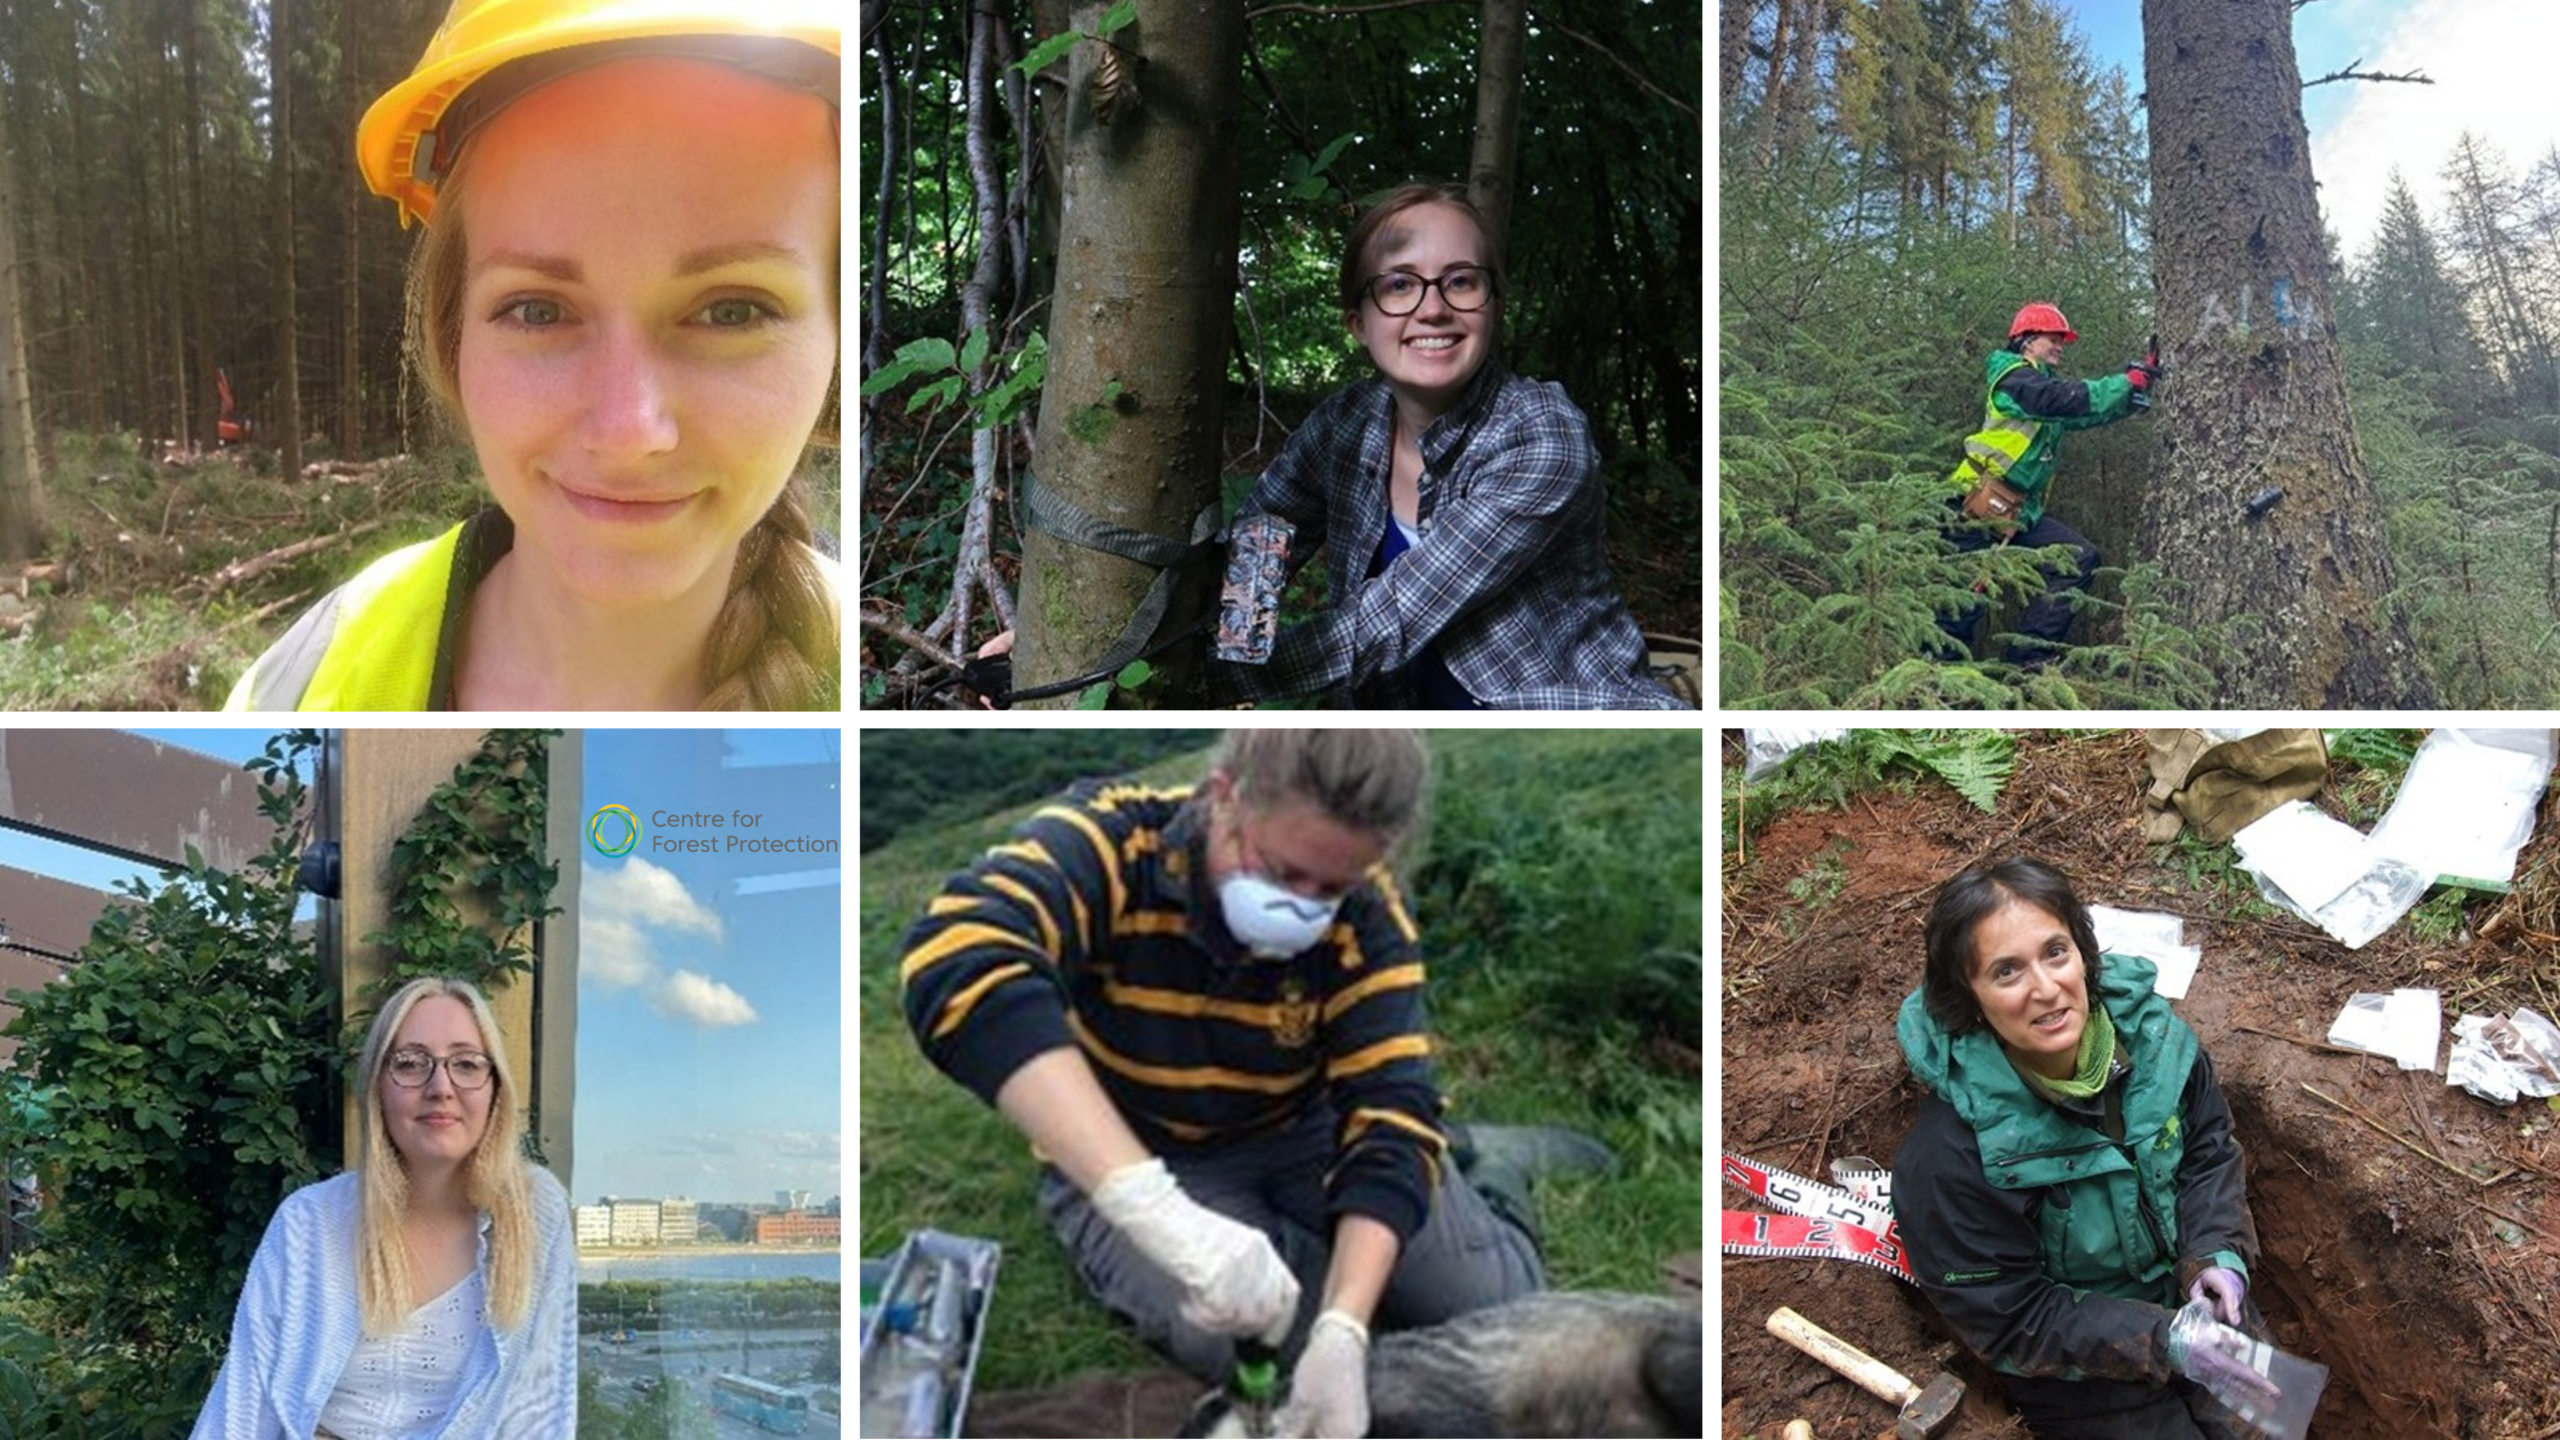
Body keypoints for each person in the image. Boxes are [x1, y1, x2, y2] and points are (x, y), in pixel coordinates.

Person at [897, 729, 1546, 1440]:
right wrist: (1149, 1208)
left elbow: (1389, 1108)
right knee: (1252, 1336)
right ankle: (1294, 1265)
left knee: (1499, 1308)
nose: (1303, 906)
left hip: (1304, 1132)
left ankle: (1482, 1176)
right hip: (1143, 1150)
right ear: (1225, 797)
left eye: (1332, 889)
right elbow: (959, 957)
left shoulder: (1369, 917)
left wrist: (1345, 1325)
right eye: (1280, 871)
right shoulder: (1114, 844)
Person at [226, 0, 842, 711]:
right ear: (455, 335)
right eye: (538, 310)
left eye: (731, 312)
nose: (627, 433)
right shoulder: (304, 681)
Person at [1212, 182, 1692, 711]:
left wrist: (1212, 682)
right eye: (1399, 285)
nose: (1433, 308)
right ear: (1358, 324)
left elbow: (1393, 616)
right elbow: (1261, 537)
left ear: (1494, 306)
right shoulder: (1342, 426)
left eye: (1460, 281)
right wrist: (1235, 646)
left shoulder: (1543, 435)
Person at [1893, 859, 2268, 1439]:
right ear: (1970, 998)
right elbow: (2010, 1316)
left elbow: (2208, 1150)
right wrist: (2160, 1339)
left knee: (2270, 1428)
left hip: (2205, 1315)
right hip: (2080, 1372)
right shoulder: (1952, 1158)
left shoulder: (2156, 1044)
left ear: (2084, 955)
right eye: (2007, 972)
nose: (2046, 989)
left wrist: (2216, 1253)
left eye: (2055, 953)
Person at [193, 976, 575, 1438]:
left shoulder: (535, 1213)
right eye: (411, 1063)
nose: (440, 1086)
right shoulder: (308, 1224)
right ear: (377, 1087)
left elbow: (542, 1408)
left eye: (467, 1064)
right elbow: (242, 1405)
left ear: (495, 1088)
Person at [1938, 302, 2157, 666]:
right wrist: (2123, 383)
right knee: (1960, 608)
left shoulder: (2042, 390)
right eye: (2053, 339)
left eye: (2062, 340)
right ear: (2026, 340)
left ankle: (2026, 663)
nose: (2060, 346)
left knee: (2077, 558)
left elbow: (2080, 413)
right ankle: (1931, 693)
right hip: (1971, 504)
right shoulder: (2013, 378)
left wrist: (2129, 397)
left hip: (2016, 512)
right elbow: (2059, 399)